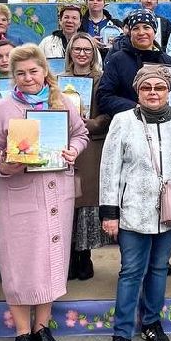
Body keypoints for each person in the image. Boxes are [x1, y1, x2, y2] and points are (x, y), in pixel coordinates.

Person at [0, 44, 86, 341]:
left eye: (33, 71)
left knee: (51, 259)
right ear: (12, 75)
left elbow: (79, 134)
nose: (27, 78)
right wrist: (3, 166)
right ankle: (22, 333)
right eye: (20, 73)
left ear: (44, 71)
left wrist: (73, 151)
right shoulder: (1, 109)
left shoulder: (61, 102)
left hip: (56, 193)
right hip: (18, 193)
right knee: (21, 262)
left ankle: (42, 327)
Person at [99, 65, 171, 341]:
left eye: (159, 87)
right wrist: (110, 211)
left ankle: (151, 322)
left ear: (169, 90)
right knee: (131, 271)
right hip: (133, 208)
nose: (153, 93)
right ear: (138, 91)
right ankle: (121, 334)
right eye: (147, 88)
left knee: (158, 268)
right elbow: (110, 167)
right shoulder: (122, 121)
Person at [61, 33, 111, 280]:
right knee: (66, 202)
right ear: (70, 52)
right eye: (77, 49)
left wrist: (89, 123)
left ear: (94, 54)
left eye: (87, 50)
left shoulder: (102, 80)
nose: (82, 53)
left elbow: (108, 115)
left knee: (86, 203)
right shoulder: (57, 81)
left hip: (91, 146)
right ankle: (67, 256)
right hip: (63, 146)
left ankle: (84, 255)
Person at [97, 9, 171, 117]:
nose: (141, 32)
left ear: (154, 31)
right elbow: (104, 97)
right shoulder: (117, 60)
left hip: (163, 122)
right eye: (136, 28)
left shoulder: (168, 61)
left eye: (146, 27)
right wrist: (135, 108)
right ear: (130, 33)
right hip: (129, 122)